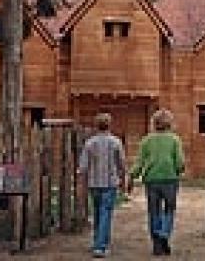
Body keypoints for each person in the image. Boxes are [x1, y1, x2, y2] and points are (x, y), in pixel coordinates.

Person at [128, 108, 185, 256]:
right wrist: (179, 170)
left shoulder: (146, 140)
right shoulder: (174, 140)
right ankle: (164, 233)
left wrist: (132, 175)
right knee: (169, 209)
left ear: (154, 123)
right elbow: (179, 161)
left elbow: (139, 162)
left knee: (154, 211)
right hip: (170, 179)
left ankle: (156, 243)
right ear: (169, 123)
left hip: (151, 180)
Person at [78, 112, 126, 258]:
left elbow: (83, 166)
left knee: (97, 213)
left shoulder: (90, 143)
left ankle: (98, 241)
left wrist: (82, 183)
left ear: (96, 125)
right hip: (110, 183)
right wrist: (123, 180)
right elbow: (121, 164)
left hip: (94, 183)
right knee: (106, 213)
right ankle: (101, 245)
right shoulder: (116, 142)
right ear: (109, 125)